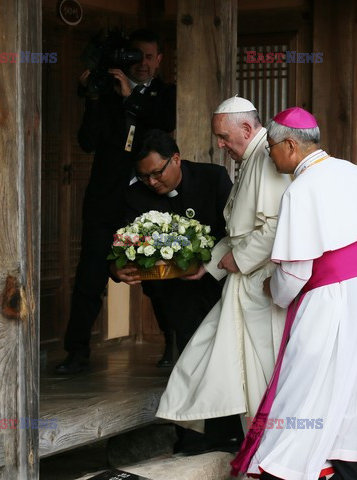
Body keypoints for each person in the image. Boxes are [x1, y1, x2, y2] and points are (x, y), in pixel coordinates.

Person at [231, 107, 357, 480]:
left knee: (303, 383)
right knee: (351, 380)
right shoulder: (355, 172)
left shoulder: (302, 188)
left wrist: (272, 292)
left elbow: (295, 272)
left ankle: (288, 466)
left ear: (290, 145)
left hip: (325, 299)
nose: (269, 155)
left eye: (271, 148)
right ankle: (343, 459)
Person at [156, 96, 291, 433]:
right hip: (240, 282)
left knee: (257, 372)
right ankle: (241, 445)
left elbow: (276, 225)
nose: (219, 145)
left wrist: (237, 259)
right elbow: (238, 231)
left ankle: (261, 454)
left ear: (246, 128)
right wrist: (210, 265)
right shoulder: (252, 156)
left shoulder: (267, 156)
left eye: (223, 137)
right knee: (212, 356)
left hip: (259, 284)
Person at [112, 129, 243, 453]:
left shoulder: (212, 178)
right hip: (174, 293)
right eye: (144, 177)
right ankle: (194, 438)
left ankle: (229, 433)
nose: (152, 182)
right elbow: (120, 242)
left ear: (176, 159)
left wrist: (210, 264)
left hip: (221, 285)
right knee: (189, 357)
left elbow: (236, 229)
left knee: (224, 359)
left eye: (157, 173)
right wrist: (116, 269)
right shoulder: (135, 196)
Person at [56, 29, 176, 374]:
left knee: (156, 277)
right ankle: (77, 351)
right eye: (137, 56)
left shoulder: (165, 95)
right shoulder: (106, 94)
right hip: (105, 201)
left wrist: (131, 101)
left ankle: (172, 340)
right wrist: (93, 99)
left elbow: (158, 135)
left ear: (159, 60)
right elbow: (87, 142)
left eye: (151, 57)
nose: (143, 63)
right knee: (89, 278)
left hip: (144, 201)